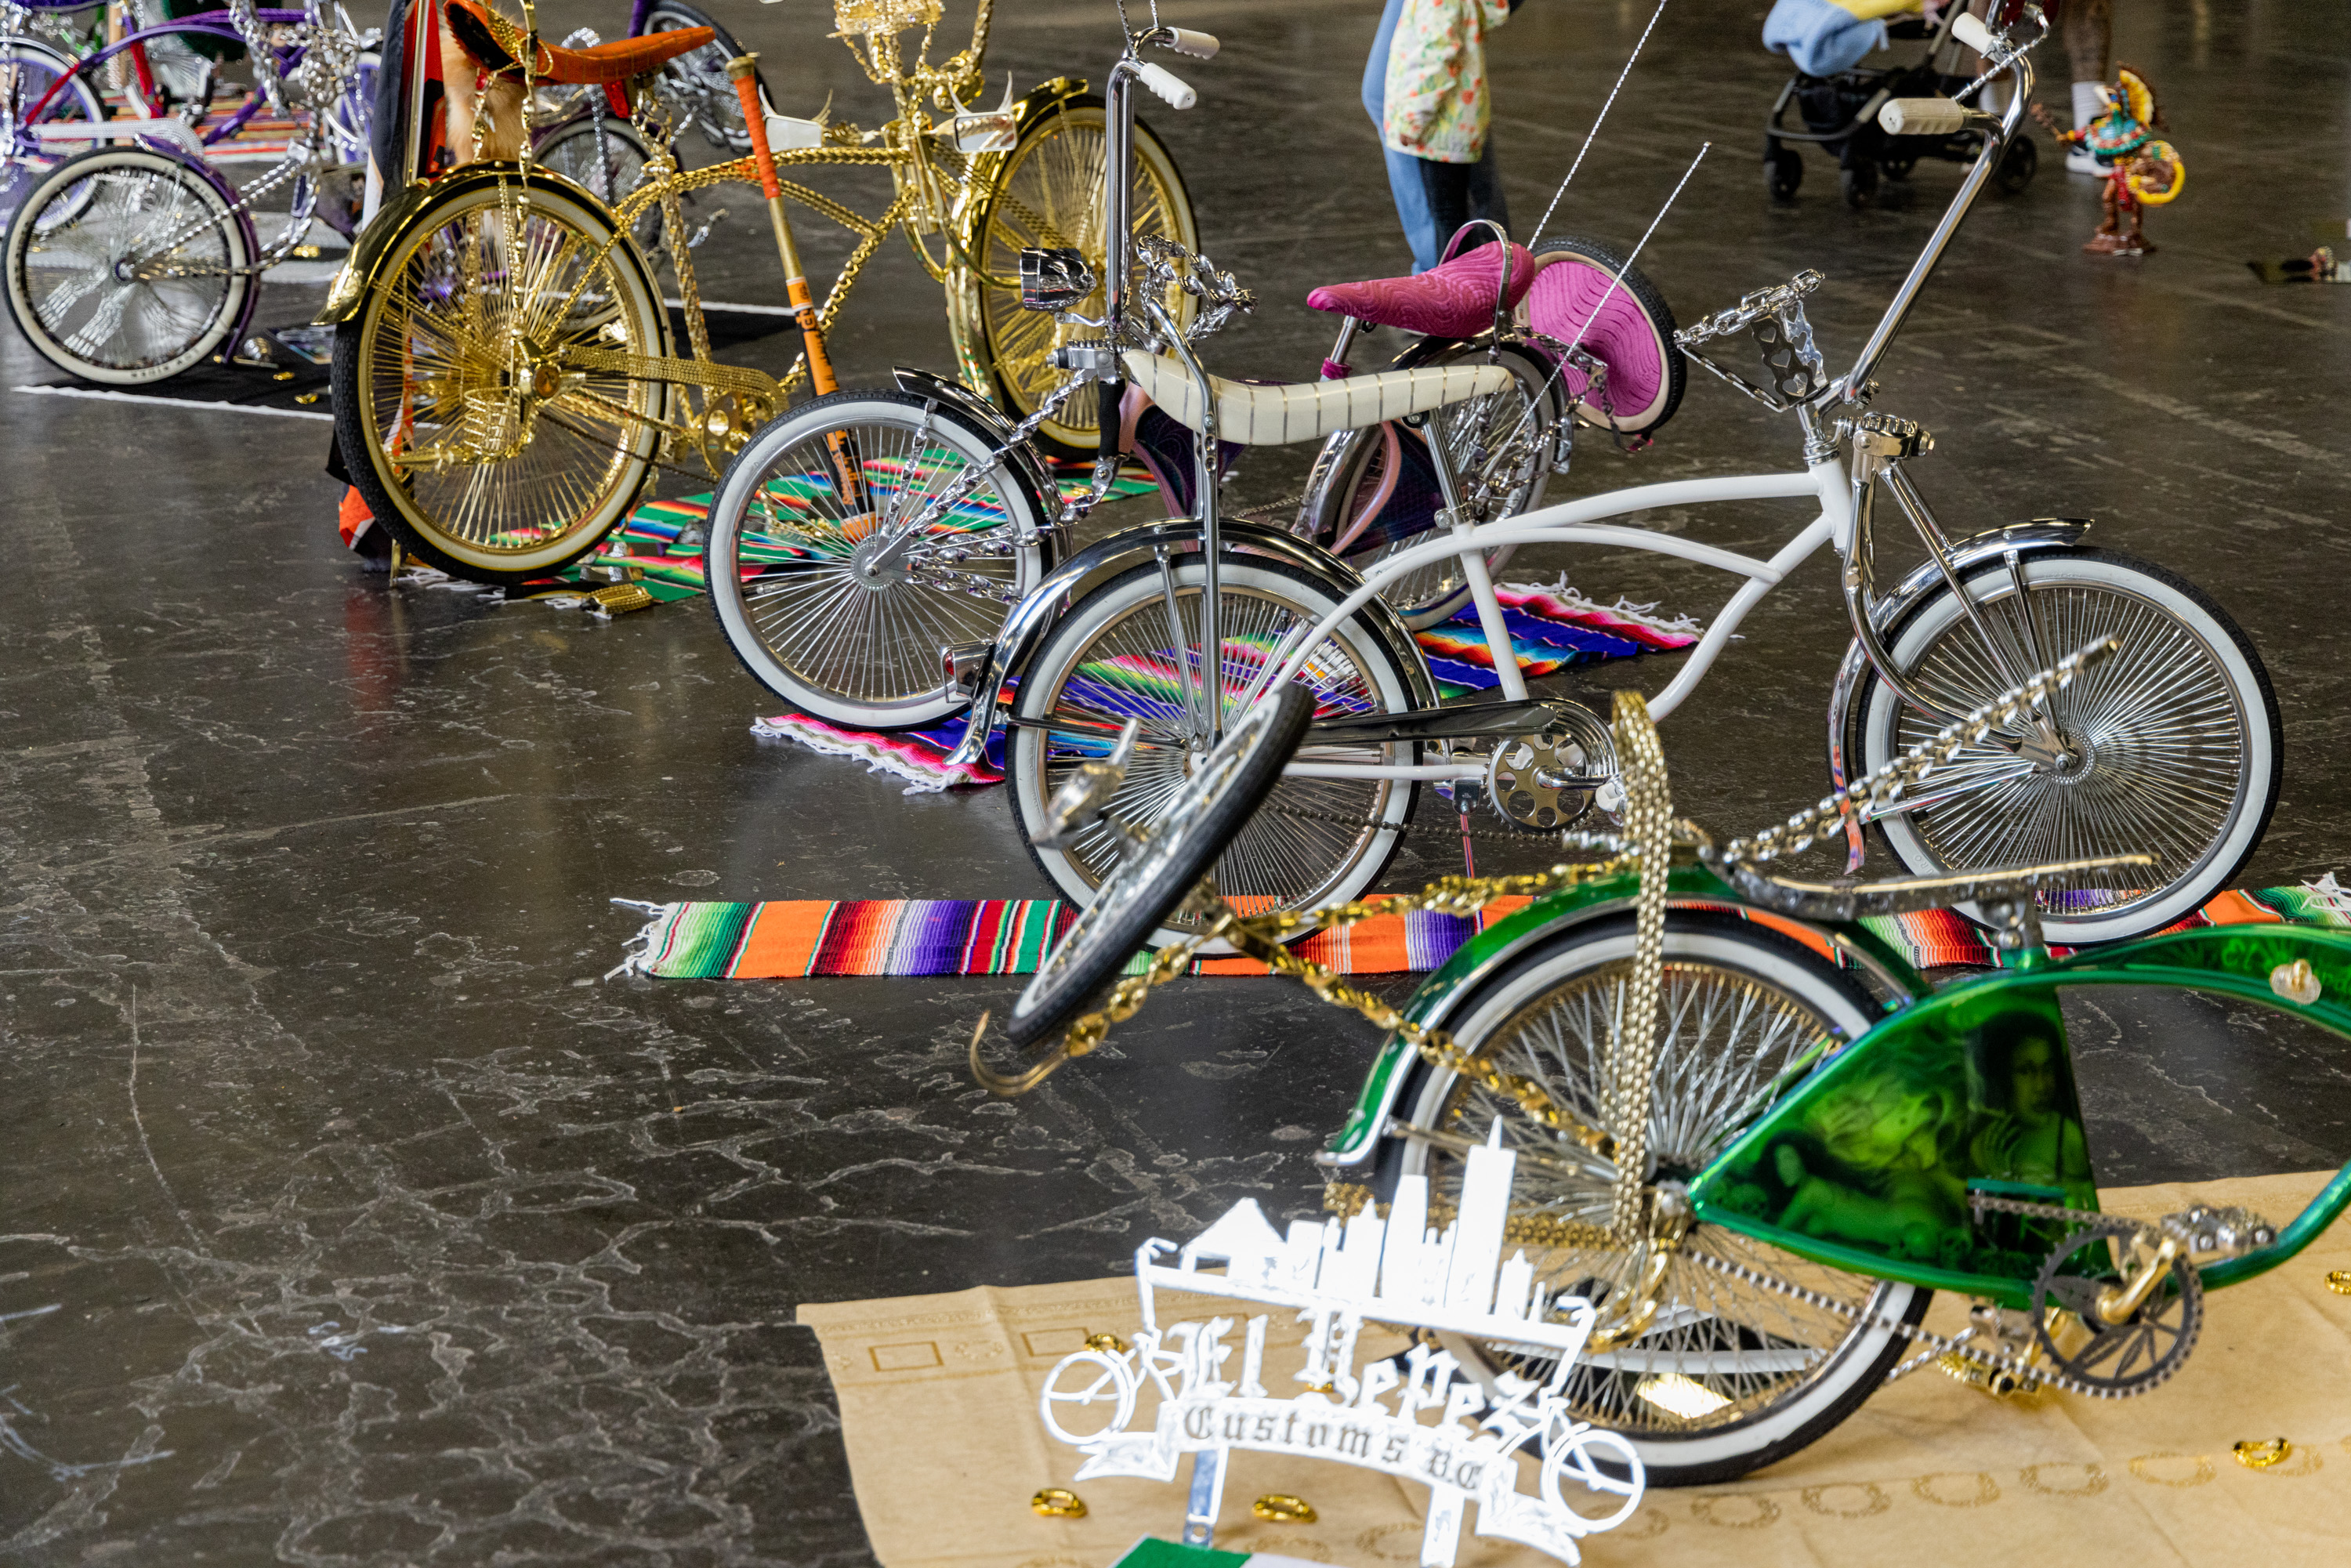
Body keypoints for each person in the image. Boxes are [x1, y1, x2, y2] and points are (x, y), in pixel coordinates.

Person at [1364, 0, 1522, 273]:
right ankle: (1478, 274)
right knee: (1456, 214)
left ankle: (1463, 280)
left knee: (1452, 223)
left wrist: (1412, 122)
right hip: (1457, 129)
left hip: (1439, 138)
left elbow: (1437, 53)